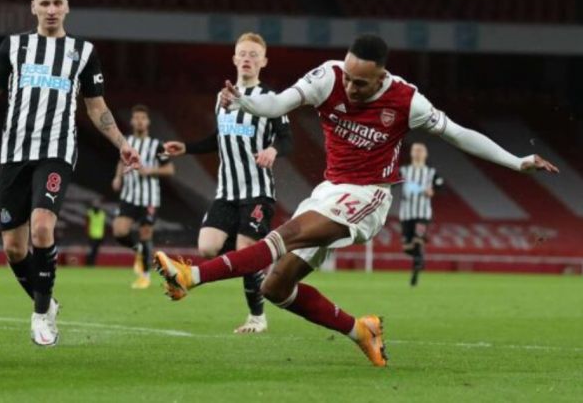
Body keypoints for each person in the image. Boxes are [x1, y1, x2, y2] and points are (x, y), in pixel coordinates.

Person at [154, 34, 559, 367]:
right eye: (348, 78)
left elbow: (458, 134)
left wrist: (516, 161)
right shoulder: (328, 77)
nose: (349, 87)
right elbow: (279, 103)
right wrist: (245, 102)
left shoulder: (406, 100)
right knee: (277, 288)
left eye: (360, 83)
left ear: (381, 76)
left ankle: (193, 277)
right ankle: (360, 330)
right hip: (330, 190)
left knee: (288, 233)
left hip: (369, 195)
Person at [0, 0, 140, 347]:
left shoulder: (83, 52)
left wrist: (122, 143)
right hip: (14, 154)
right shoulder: (13, 46)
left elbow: (96, 107)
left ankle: (40, 316)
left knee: (42, 228)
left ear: (67, 7)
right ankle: (47, 301)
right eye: (45, 4)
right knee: (14, 248)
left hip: (56, 152)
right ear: (34, 8)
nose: (52, 10)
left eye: (57, 3)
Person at [163, 32, 291, 333]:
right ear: (234, 59)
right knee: (207, 247)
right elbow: (219, 138)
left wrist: (273, 150)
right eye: (242, 53)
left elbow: (287, 139)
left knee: (245, 250)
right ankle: (256, 256)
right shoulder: (222, 99)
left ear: (263, 61)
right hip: (227, 192)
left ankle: (257, 317)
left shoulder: (271, 100)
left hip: (257, 191)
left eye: (253, 55)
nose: (247, 58)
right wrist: (187, 147)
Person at [112, 104, 175, 289]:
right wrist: (117, 177)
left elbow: (170, 169)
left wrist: (150, 170)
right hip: (129, 196)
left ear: (148, 122)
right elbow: (121, 161)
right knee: (119, 231)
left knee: (145, 233)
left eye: (143, 118)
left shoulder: (157, 145)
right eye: (136, 118)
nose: (139, 121)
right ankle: (139, 249)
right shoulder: (126, 142)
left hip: (149, 198)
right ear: (132, 121)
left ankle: (145, 276)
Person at [399, 142, 443, 286]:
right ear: (411, 153)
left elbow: (440, 185)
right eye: (415, 150)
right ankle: (420, 259)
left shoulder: (431, 172)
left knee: (418, 240)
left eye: (421, 150)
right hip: (406, 214)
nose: (418, 152)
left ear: (425, 154)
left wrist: (432, 191)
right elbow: (391, 182)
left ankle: (415, 273)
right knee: (407, 248)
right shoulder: (403, 171)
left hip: (422, 214)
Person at [85, 198, 106, 267]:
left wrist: (103, 235)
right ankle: (89, 263)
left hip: (99, 235)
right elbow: (87, 223)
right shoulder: (90, 213)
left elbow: (103, 225)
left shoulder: (102, 214)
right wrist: (87, 232)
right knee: (91, 250)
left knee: (95, 251)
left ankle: (92, 263)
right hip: (92, 235)